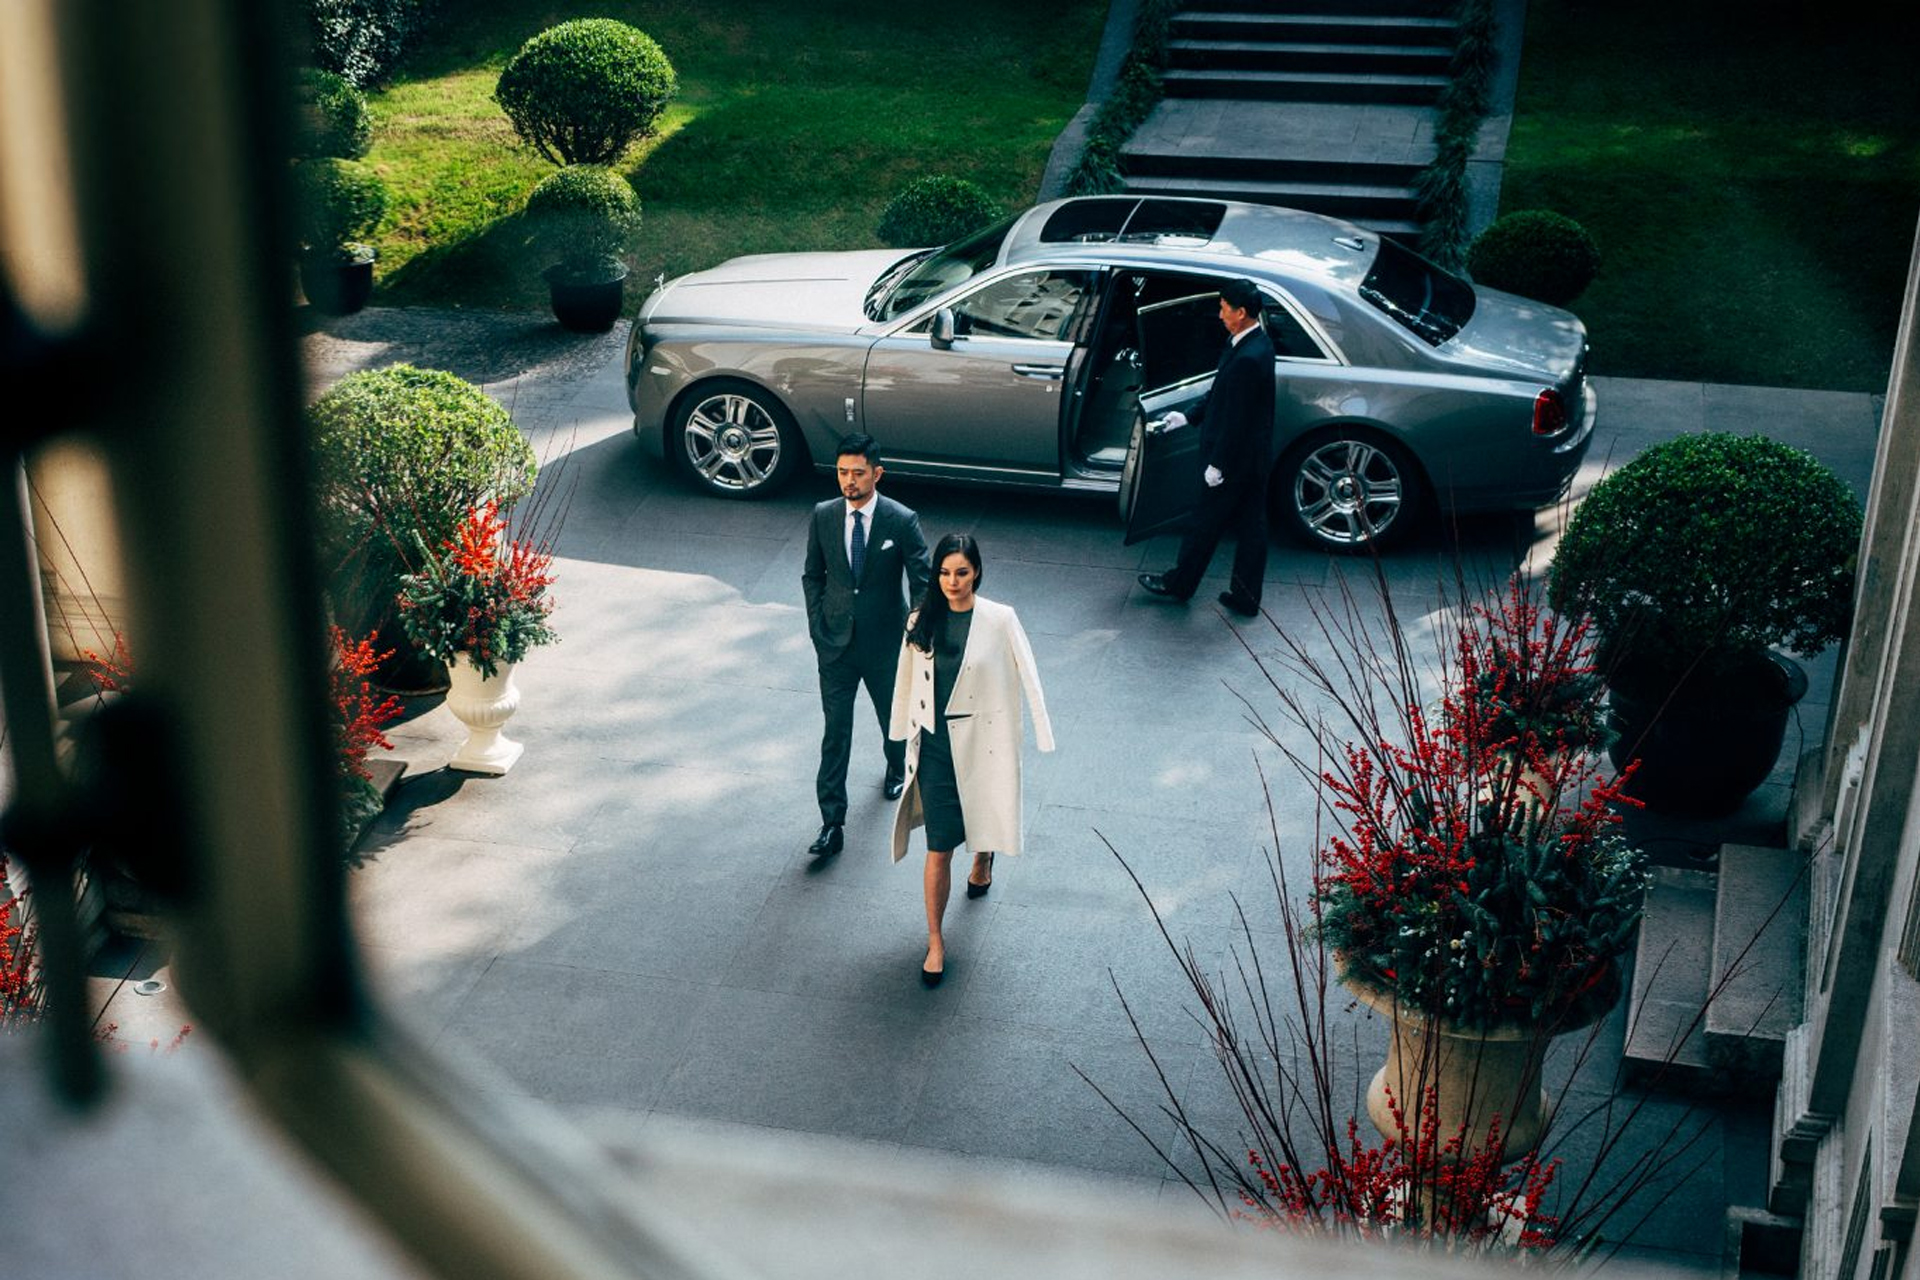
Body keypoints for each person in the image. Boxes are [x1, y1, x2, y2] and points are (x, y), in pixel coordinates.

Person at [888, 535, 1053, 987]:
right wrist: (899, 733)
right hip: (937, 748)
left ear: (976, 571)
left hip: (985, 741)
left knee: (985, 816)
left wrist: (1041, 733)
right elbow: (906, 678)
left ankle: (983, 858)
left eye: (961, 572)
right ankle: (936, 941)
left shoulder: (1000, 619)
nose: (952, 582)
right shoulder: (921, 620)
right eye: (944, 572)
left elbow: (1029, 675)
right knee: (939, 846)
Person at [802, 433, 931, 858]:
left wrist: (915, 630)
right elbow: (813, 576)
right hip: (835, 644)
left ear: (877, 473)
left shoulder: (901, 520)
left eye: (858, 473)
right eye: (842, 472)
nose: (849, 481)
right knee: (834, 733)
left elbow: (922, 582)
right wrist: (817, 626)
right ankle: (831, 823)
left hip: (884, 646)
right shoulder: (823, 515)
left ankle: (896, 766)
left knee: (891, 721)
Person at [1136, 276, 1277, 618]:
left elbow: (1236, 419)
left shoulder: (1247, 356)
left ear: (1241, 312)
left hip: (1234, 462)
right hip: (1253, 459)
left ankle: (1179, 584)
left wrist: (1218, 464)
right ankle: (1245, 597)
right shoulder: (1251, 343)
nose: (1219, 314)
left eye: (1223, 308)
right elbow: (1221, 393)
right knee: (1252, 528)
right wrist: (1189, 417)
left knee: (1204, 523)